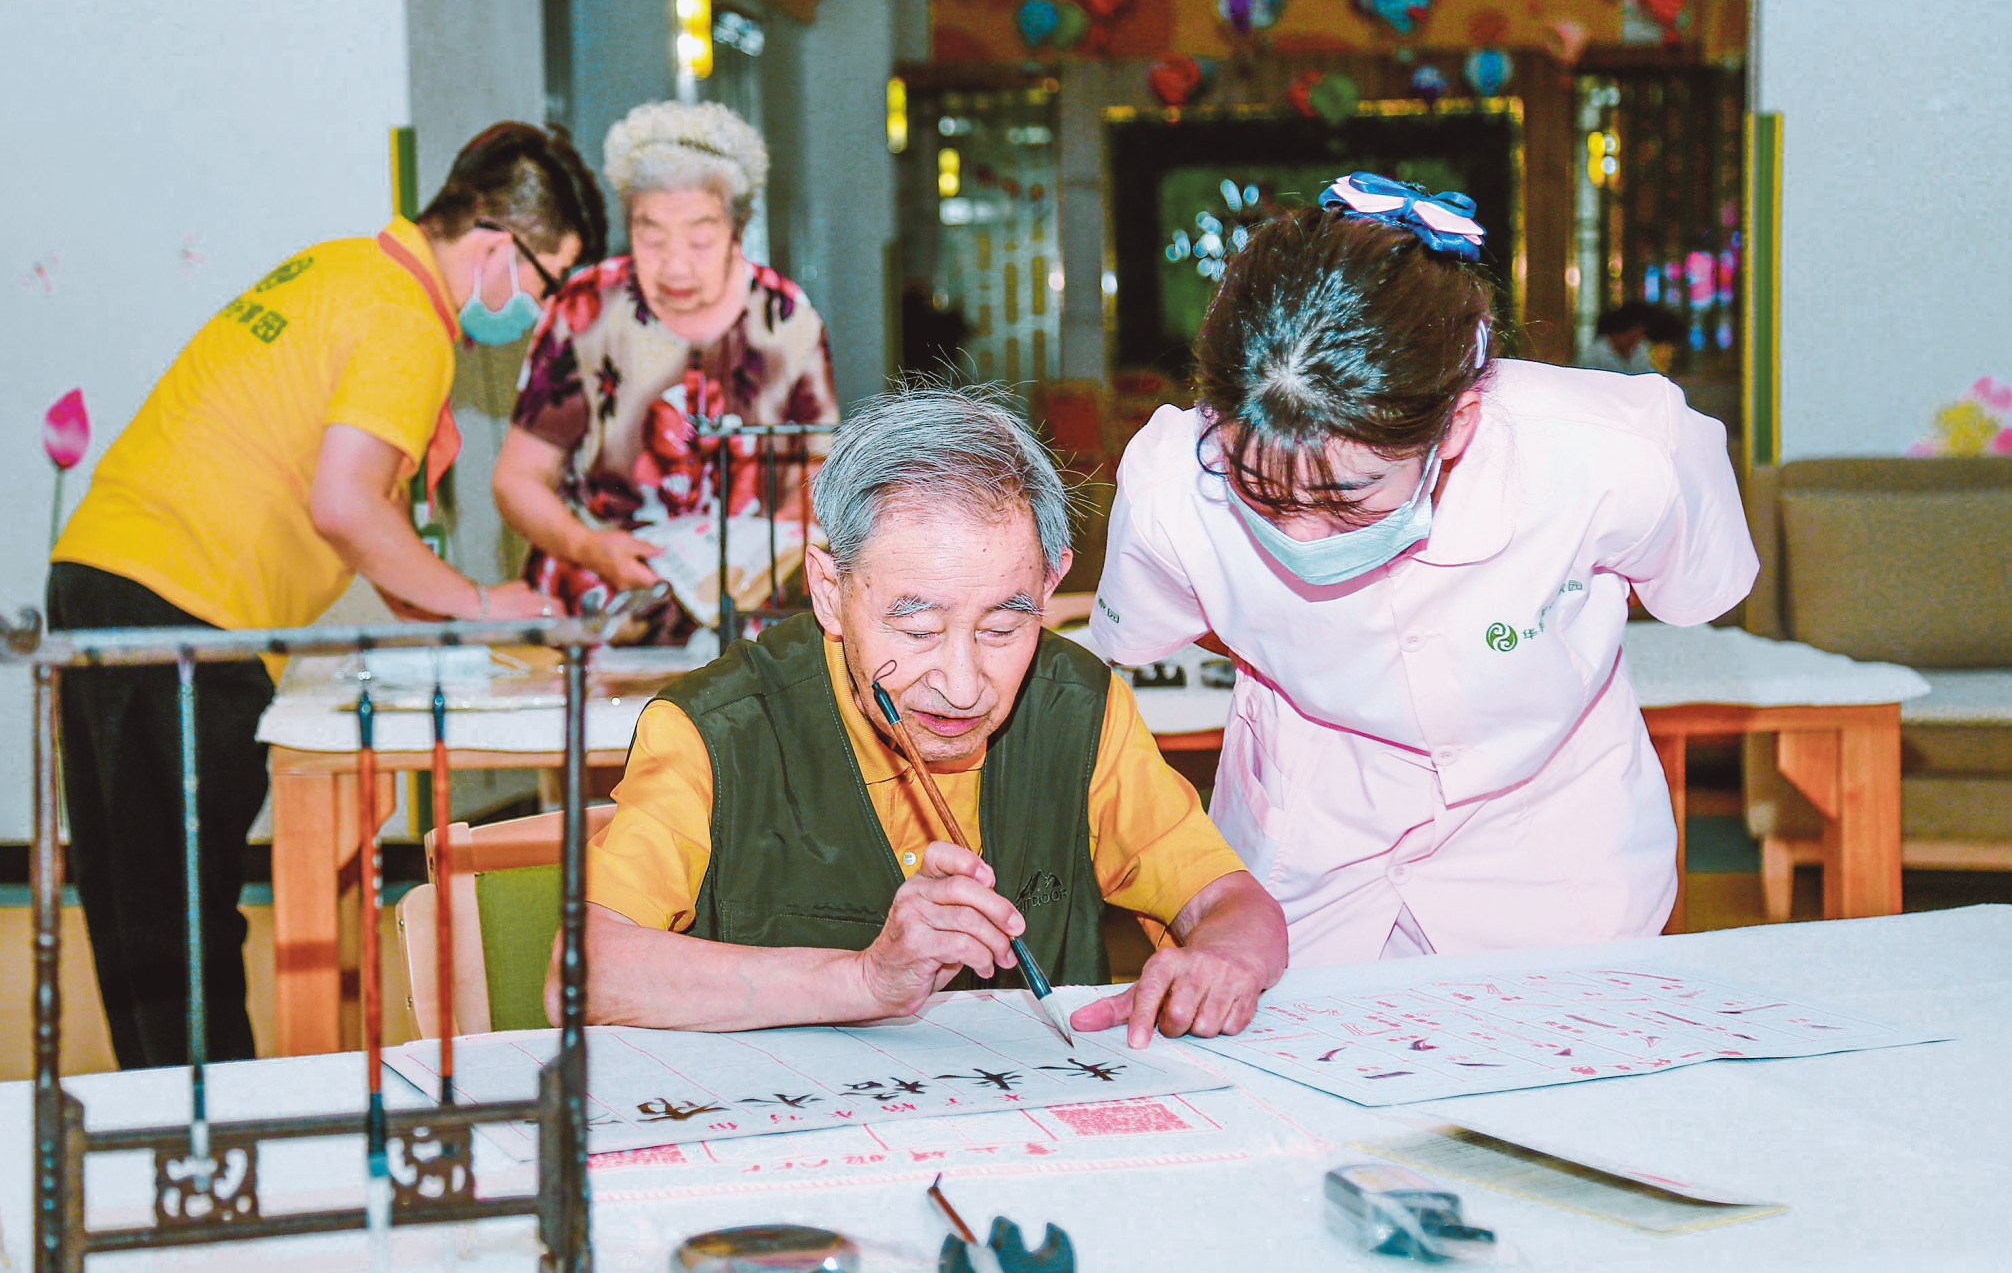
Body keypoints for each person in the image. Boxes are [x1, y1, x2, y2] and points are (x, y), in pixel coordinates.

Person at [48, 122, 608, 1069]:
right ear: (497, 245)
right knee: (180, 922)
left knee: (138, 908)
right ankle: (212, 1134)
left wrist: (465, 606)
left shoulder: (342, 268)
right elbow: (347, 508)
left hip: (100, 574)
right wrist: (485, 605)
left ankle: (172, 1126)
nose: (539, 313)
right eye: (548, 283)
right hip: (183, 609)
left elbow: (374, 536)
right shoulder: (408, 323)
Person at [1091, 172, 1758, 965]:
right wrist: (1313, 646)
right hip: (1311, 839)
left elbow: (1684, 587)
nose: (1303, 534)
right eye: (1260, 490)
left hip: (1554, 845)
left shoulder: (1621, 450)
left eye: (1349, 497)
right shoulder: (1171, 486)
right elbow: (1167, 629)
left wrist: (1533, 628)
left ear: (1457, 425)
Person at [554, 388, 1287, 1048]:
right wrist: (864, 981)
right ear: (828, 590)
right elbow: (583, 973)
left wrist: (1226, 956)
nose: (962, 687)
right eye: (917, 628)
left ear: (1051, 581)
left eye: (1003, 628)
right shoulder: (716, 732)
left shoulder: (1081, 711)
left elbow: (1231, 901)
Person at [495, 101, 839, 641]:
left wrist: (786, 539)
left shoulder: (785, 319)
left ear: (738, 231)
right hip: (600, 607)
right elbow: (518, 479)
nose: (675, 265)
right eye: (651, 237)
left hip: (745, 617)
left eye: (701, 240)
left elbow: (819, 471)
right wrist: (587, 546)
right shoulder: (587, 310)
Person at [1580, 300, 1685, 375]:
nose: (1639, 337)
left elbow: (1649, 376)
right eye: (1636, 332)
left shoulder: (1640, 348)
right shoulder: (1594, 355)